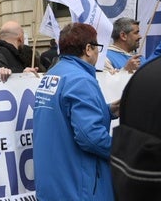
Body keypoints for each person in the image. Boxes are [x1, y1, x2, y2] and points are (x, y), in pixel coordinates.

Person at [33, 23, 120, 200]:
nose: (98, 53)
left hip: (56, 183)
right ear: (88, 49)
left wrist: (107, 110)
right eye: (97, 47)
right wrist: (124, 152)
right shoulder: (81, 79)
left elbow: (63, 117)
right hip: (79, 187)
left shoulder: (53, 73)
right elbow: (90, 137)